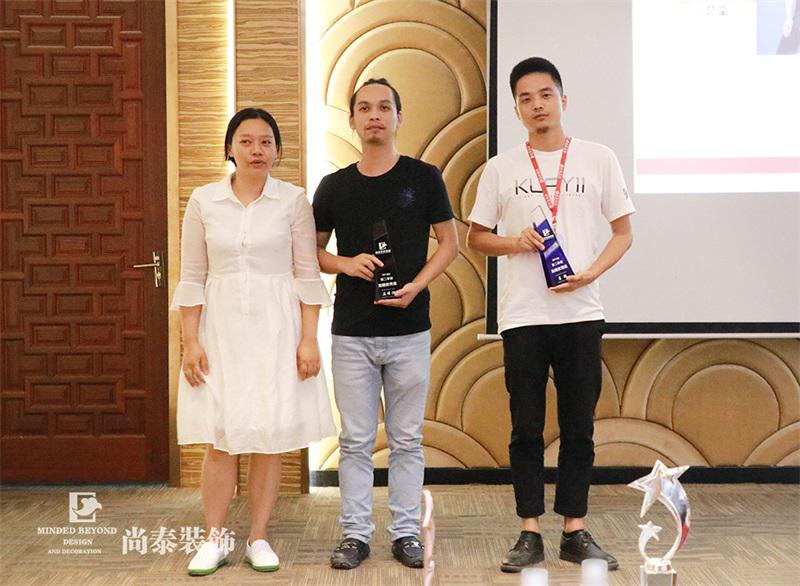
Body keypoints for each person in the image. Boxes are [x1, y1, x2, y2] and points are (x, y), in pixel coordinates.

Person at [467, 57, 635, 573]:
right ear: (516, 109)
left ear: (563, 100)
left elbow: (623, 232)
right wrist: (514, 241)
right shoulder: (501, 168)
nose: (537, 105)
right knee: (526, 427)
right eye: (525, 98)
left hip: (581, 313)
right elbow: (477, 237)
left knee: (579, 426)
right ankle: (529, 531)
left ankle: (575, 530)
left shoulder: (598, 158)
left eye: (545, 95)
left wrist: (589, 273)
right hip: (523, 316)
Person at [171, 108, 336, 576]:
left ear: (277, 151)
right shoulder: (204, 200)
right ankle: (214, 539)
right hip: (220, 329)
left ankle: (258, 537)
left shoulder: (293, 200)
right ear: (230, 148)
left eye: (266, 142)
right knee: (221, 437)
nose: (256, 150)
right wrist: (190, 342)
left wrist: (309, 339)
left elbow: (306, 273)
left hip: (277, 329)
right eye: (246, 141)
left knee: (268, 436)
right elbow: (193, 276)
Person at [313, 78, 458, 570]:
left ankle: (406, 534)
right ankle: (355, 534)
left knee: (407, 440)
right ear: (353, 121)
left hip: (410, 330)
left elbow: (449, 244)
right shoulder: (334, 186)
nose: (374, 115)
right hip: (351, 332)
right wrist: (345, 263)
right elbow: (311, 252)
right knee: (354, 441)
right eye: (364, 108)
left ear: (399, 117)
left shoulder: (424, 177)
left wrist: (417, 285)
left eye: (383, 107)